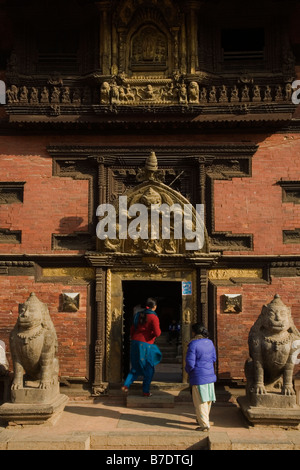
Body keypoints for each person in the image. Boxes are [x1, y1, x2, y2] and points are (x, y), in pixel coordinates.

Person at [122, 298, 162, 397]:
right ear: (155, 307)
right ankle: (145, 391)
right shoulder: (153, 317)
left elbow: (132, 329)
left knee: (135, 366)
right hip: (146, 344)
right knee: (149, 367)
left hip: (135, 342)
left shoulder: (137, 315)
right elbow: (157, 333)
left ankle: (126, 385)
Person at [185, 323, 217, 431]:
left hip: (199, 376)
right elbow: (214, 358)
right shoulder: (210, 342)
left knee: (200, 402)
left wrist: (188, 371)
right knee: (207, 400)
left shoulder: (193, 344)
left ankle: (204, 424)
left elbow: (190, 363)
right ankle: (203, 419)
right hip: (209, 375)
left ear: (194, 332)